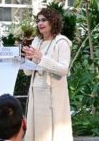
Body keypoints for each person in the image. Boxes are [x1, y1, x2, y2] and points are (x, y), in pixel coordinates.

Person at [23, 8, 72, 141]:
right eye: (38, 20)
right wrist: (24, 59)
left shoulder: (62, 42)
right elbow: (28, 72)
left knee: (53, 133)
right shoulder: (36, 42)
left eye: (44, 20)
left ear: (53, 21)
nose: (40, 23)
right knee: (37, 132)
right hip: (35, 92)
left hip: (53, 94)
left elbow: (63, 70)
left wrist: (41, 58)